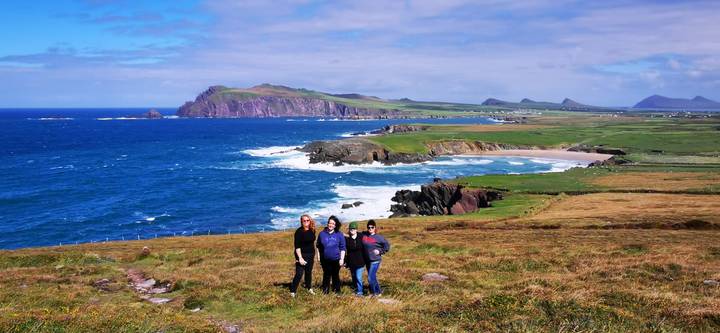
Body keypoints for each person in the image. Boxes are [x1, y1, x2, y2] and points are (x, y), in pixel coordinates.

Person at [316, 215, 346, 294]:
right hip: (325, 259)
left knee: (335, 275)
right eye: (329, 223)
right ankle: (325, 291)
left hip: (336, 259)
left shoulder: (339, 234)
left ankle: (337, 291)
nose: (331, 225)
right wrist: (318, 256)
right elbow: (318, 246)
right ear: (327, 223)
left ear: (335, 225)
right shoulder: (322, 234)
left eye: (333, 223)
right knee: (326, 275)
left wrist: (342, 259)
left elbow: (343, 248)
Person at [290, 214, 317, 297]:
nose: (306, 222)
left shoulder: (312, 229)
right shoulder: (299, 232)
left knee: (308, 272)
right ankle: (293, 290)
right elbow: (297, 246)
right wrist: (300, 258)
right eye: (304, 220)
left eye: (307, 220)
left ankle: (309, 288)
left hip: (311, 254)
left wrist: (315, 254)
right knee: (299, 273)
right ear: (301, 222)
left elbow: (312, 242)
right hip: (301, 255)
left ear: (310, 221)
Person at [361, 219, 390, 296]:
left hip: (375, 260)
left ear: (375, 227)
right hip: (367, 261)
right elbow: (354, 234)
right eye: (368, 227)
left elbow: (387, 246)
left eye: (372, 227)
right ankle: (378, 292)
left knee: (370, 278)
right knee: (373, 277)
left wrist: (380, 251)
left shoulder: (379, 237)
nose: (370, 229)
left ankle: (373, 294)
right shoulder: (364, 235)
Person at [344, 221, 367, 296]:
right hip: (351, 262)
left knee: (358, 277)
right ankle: (355, 289)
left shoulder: (361, 236)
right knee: (354, 277)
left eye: (354, 228)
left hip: (360, 261)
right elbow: (344, 250)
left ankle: (360, 292)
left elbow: (369, 240)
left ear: (356, 229)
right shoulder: (347, 238)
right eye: (351, 228)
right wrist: (345, 261)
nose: (352, 230)